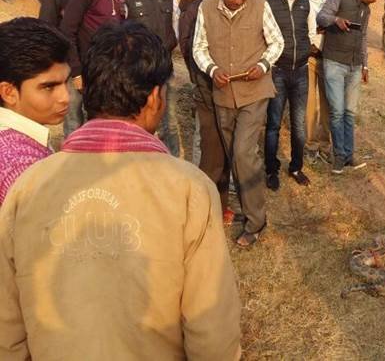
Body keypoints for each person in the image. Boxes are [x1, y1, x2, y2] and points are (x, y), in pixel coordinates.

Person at [0, 22, 242, 359]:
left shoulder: (27, 187)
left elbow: (7, 329)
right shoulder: (190, 189)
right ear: (156, 97)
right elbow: (212, 331)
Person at [193, 0, 284, 247]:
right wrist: (211, 69)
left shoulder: (259, 6)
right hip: (222, 94)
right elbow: (198, 47)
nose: (238, 0)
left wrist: (264, 64)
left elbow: (277, 42)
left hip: (255, 92)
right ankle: (238, 210)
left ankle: (256, 222)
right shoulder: (206, 8)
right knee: (232, 157)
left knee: (245, 154)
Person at [316, 0, 385, 175]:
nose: (376, 0)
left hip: (355, 66)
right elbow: (321, 16)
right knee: (337, 112)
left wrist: (365, 65)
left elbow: (363, 37)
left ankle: (348, 155)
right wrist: (336, 20)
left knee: (349, 112)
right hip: (334, 63)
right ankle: (338, 156)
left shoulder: (366, 9)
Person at [179, 0, 233, 224]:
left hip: (223, 86)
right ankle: (200, 195)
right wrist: (199, 76)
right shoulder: (197, 10)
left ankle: (219, 203)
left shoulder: (220, 8)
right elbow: (189, 47)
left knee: (221, 146)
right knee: (206, 143)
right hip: (205, 85)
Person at [60, 0, 131, 137]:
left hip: (107, 69)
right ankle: (72, 165)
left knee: (99, 122)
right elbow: (67, 31)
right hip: (82, 68)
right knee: (74, 122)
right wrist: (76, 72)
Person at [0, 18, 70, 206]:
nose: (65, 97)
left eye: (65, 82)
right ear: (9, 92)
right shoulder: (20, 166)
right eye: (49, 87)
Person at [125, 0, 181, 156]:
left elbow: (175, 25)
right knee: (139, 121)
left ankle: (172, 164)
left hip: (165, 70)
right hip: (138, 72)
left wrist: (169, 47)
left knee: (170, 122)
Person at [264, 0, 312, 189]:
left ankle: (296, 167)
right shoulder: (269, 1)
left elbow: (308, 31)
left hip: (301, 72)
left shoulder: (304, 1)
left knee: (299, 125)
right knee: (273, 123)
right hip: (278, 72)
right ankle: (271, 170)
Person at [304, 0, 332, 163]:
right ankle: (310, 144)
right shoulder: (302, 0)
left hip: (327, 57)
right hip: (307, 57)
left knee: (327, 103)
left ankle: (325, 144)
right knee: (309, 104)